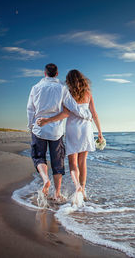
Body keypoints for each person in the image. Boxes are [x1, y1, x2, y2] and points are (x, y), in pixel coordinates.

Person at [27, 64, 92, 203]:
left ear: (45, 73)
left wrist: (30, 125)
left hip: (39, 129)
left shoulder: (35, 88)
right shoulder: (62, 88)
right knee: (58, 162)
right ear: (56, 73)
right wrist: (86, 115)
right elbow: (72, 106)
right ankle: (57, 194)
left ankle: (45, 179)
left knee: (39, 157)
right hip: (56, 131)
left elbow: (30, 109)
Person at [37, 69, 103, 200]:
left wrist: (47, 120)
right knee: (83, 162)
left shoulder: (67, 94)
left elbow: (65, 114)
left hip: (73, 129)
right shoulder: (88, 94)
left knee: (73, 163)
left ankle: (77, 185)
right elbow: (94, 114)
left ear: (69, 81)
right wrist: (100, 133)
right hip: (86, 128)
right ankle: (82, 190)